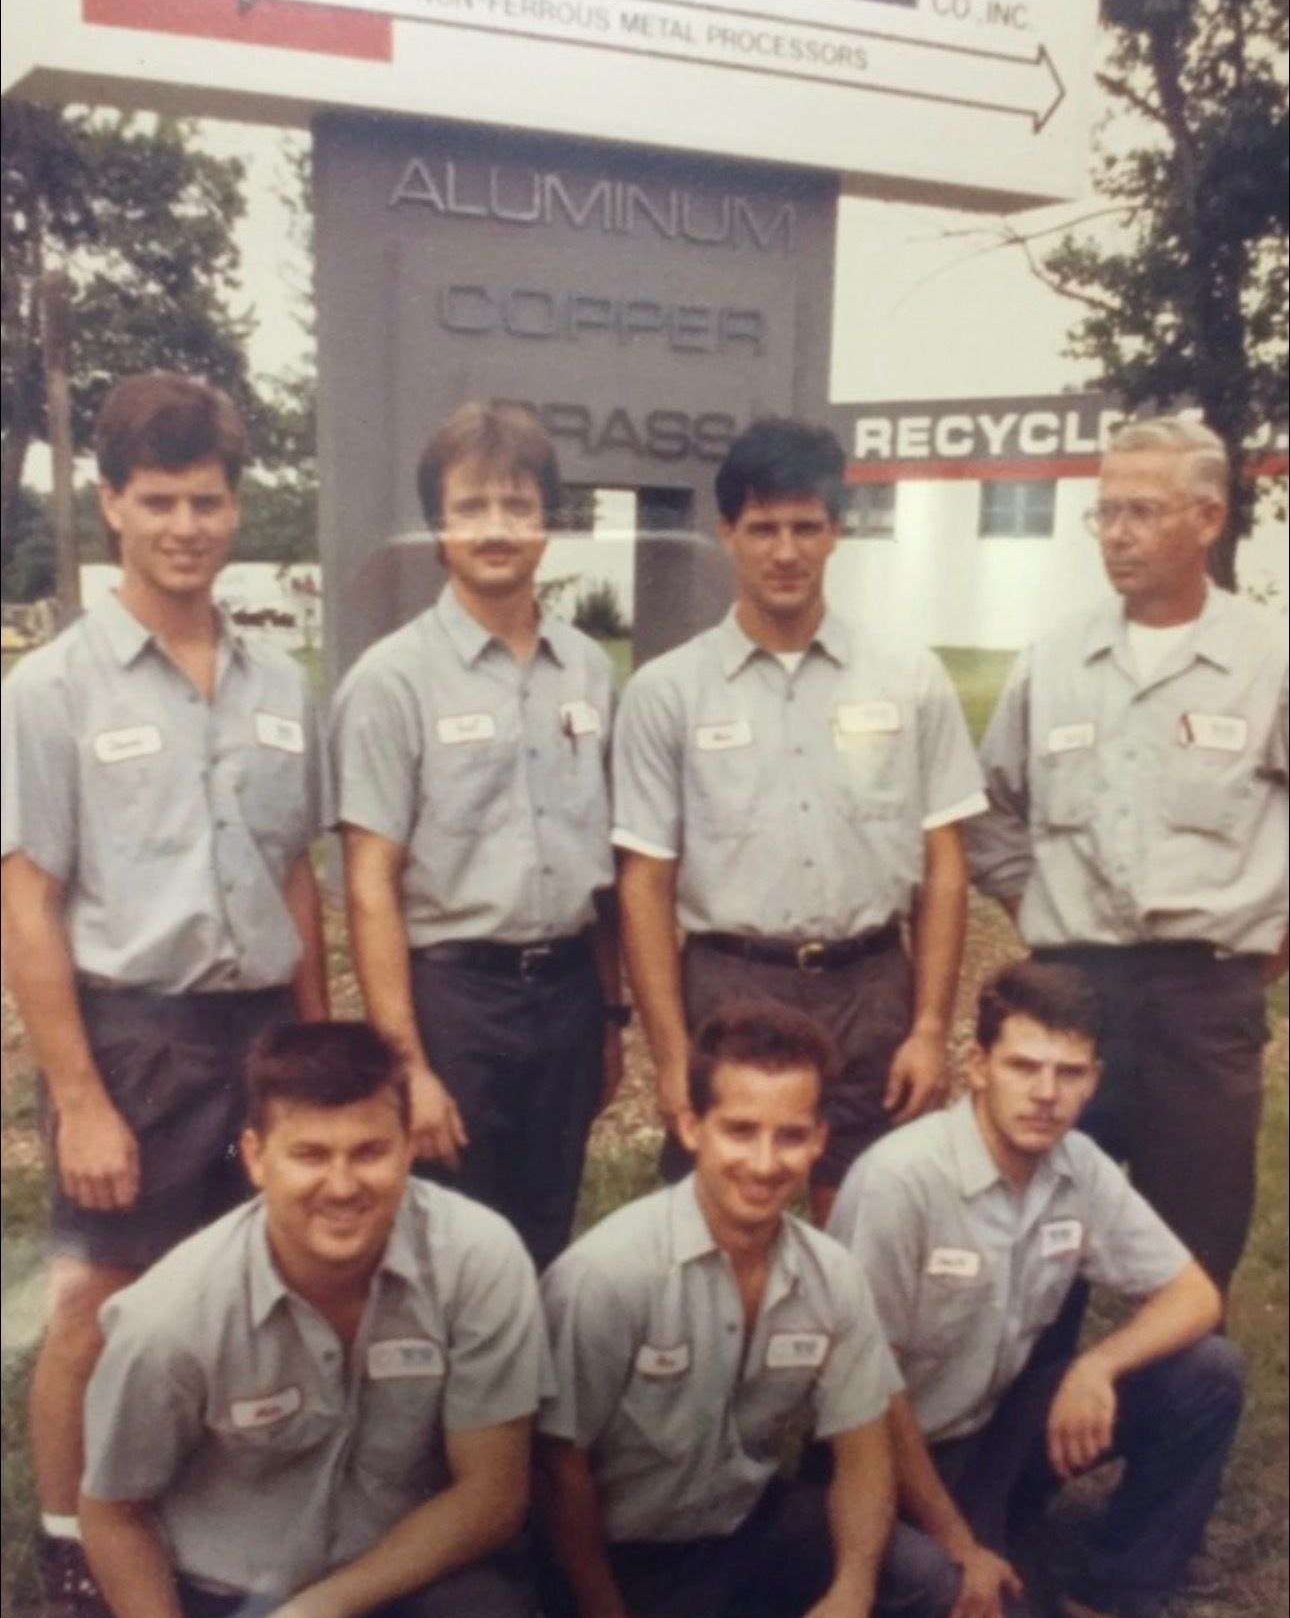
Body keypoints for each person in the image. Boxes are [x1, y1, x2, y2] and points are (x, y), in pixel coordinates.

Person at [0, 372, 329, 1618]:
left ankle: (214, 1531)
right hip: (130, 1031)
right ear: (111, 504)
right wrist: (78, 1093)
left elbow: (296, 871)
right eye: (158, 501)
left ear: (237, 504)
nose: (186, 524)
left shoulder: (278, 681)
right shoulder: (53, 688)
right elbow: (27, 900)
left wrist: (318, 1037)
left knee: (260, 1287)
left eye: (208, 499)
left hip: (262, 1030)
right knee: (97, 1303)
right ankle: (76, 1553)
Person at [614, 416, 984, 1219]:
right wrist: (672, 1052)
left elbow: (945, 863)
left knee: (868, 1216)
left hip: (871, 986)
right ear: (727, 535)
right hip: (730, 983)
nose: (786, 550)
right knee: (716, 1225)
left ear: (836, 531)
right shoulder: (667, 692)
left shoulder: (906, 677)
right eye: (763, 528)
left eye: (806, 526)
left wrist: (928, 1026)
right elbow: (644, 881)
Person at [79, 1020, 548, 1618]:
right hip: (233, 1599)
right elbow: (114, 1516)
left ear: (409, 1147)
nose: (343, 1185)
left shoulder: (478, 1257)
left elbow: (491, 1494)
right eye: (310, 1155)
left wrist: (316, 1614)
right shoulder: (170, 1318)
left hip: (409, 1569)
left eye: (369, 1152)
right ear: (255, 1158)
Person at [967, 415, 1288, 1294]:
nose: (1116, 534)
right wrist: (1038, 907)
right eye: (1104, 512)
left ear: (1208, 519)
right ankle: (1033, 1417)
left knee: (1195, 1245)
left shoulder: (1268, 659)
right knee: (1042, 1238)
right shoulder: (1056, 659)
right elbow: (988, 806)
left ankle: (1171, 1418)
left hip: (1204, 998)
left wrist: (1270, 939)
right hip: (1074, 991)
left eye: (1142, 512)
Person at [828, 962, 1244, 1618]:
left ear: (1095, 1079)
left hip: (998, 1427)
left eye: (1070, 1072)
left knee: (1208, 1371)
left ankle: (1115, 1593)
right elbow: (870, 1395)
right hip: (886, 1459)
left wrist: (1096, 1366)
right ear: (978, 1064)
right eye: (1024, 1066)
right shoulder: (900, 1181)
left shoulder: (1078, 1165)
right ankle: (961, 1553)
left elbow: (1194, 1294)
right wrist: (958, 1542)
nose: (1046, 1094)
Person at [537, 1000, 960, 1618]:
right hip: (622, 1557)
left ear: (819, 1138)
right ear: (690, 1126)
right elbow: (556, 1467)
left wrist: (852, 1592)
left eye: (791, 1136)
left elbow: (863, 1452)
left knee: (924, 1581)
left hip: (746, 1523)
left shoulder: (831, 1275)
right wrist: (603, 1617)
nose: (765, 1165)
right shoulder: (607, 1275)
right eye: (739, 1131)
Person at [331, 402, 624, 1270]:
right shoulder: (391, 681)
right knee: (454, 1244)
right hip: (456, 1002)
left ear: (551, 523)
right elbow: (369, 884)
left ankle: (527, 1406)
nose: (496, 528)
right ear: (436, 527)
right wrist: (409, 1064)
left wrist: (610, 1018)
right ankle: (450, 1407)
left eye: (518, 506)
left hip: (567, 995)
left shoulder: (593, 671)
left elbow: (605, 871)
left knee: (546, 1230)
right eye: (471, 508)